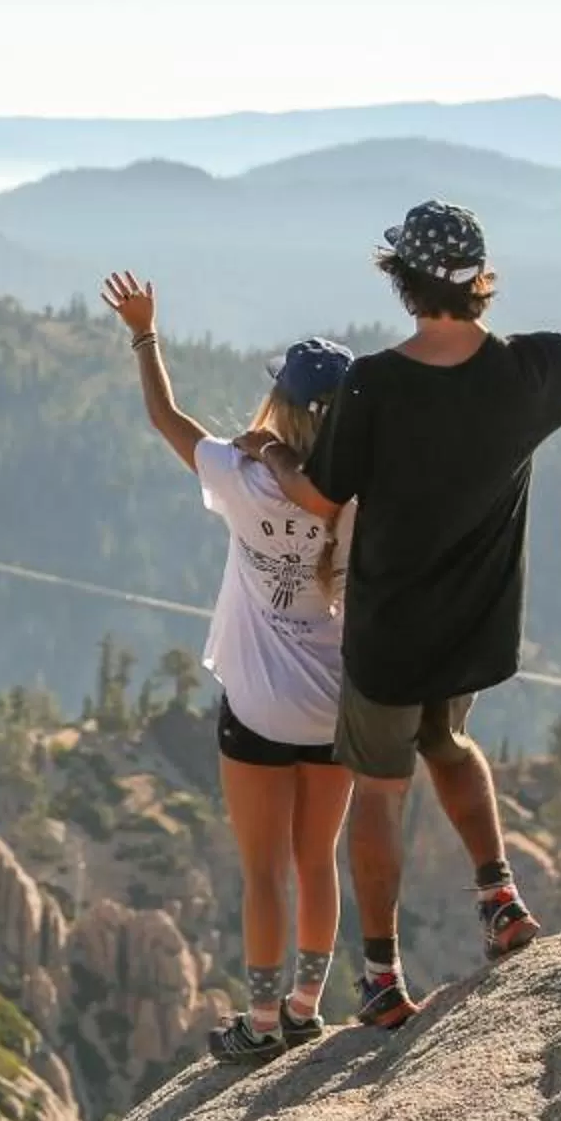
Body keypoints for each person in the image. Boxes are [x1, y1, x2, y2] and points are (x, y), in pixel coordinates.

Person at [266, 160, 561, 1029]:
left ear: (401, 281)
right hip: (473, 627)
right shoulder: (527, 373)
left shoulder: (373, 382)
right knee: (449, 740)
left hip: (391, 633)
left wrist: (277, 456)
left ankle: (380, 977)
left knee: (379, 788)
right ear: (480, 281)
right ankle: (500, 897)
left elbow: (322, 500)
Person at [102, 270, 358, 1065]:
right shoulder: (359, 494)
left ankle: (259, 1017)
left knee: (262, 871)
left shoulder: (241, 477)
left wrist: (144, 334)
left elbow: (164, 417)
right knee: (317, 859)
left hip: (254, 707)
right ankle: (309, 1005)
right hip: (335, 708)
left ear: (279, 403)